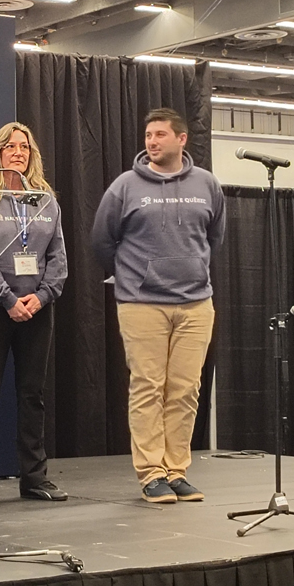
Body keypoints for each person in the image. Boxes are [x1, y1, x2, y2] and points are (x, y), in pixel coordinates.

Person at [91, 107, 225, 503]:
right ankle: (151, 473)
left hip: (196, 303)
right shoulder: (125, 186)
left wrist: (193, 271)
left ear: (181, 139)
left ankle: (176, 470)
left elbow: (215, 237)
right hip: (141, 302)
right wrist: (133, 275)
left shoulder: (207, 184)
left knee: (185, 390)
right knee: (148, 387)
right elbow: (102, 241)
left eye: (160, 135)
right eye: (148, 135)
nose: (151, 141)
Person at [0, 122, 68, 507]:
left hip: (37, 310)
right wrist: (7, 299)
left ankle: (34, 477)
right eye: (10, 147)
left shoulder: (45, 201)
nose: (18, 152)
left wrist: (42, 296)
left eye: (24, 146)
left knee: (32, 395)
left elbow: (58, 258)